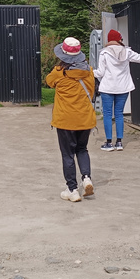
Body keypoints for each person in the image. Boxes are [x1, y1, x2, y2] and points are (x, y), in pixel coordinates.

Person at [94, 29, 140, 152]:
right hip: (123, 87)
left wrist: (88, 71)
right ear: (118, 40)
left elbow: (100, 72)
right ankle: (120, 142)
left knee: (107, 114)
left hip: (107, 88)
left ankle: (109, 143)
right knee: (119, 114)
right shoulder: (127, 52)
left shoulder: (104, 53)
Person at [46, 37, 97, 202]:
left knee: (67, 155)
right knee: (82, 149)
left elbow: (49, 82)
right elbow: (92, 90)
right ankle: (87, 178)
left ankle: (72, 189)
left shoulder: (58, 72)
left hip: (65, 120)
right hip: (85, 118)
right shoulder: (88, 71)